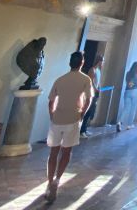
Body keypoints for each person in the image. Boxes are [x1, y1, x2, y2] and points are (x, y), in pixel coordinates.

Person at [45, 51, 93, 203]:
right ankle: (57, 180)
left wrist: (52, 115)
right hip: (73, 118)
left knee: (53, 153)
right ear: (82, 63)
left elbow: (51, 101)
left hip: (58, 118)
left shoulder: (60, 79)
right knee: (66, 152)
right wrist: (82, 113)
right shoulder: (85, 79)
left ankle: (49, 181)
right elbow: (88, 99)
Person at [80, 54, 103, 138]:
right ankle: (81, 131)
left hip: (95, 92)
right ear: (99, 61)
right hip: (91, 93)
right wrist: (95, 89)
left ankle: (85, 129)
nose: (102, 63)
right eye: (102, 61)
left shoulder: (98, 70)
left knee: (90, 112)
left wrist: (99, 88)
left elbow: (97, 82)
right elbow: (91, 81)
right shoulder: (92, 70)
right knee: (87, 111)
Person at [117, 61, 137, 132]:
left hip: (127, 91)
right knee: (133, 109)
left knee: (126, 108)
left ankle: (119, 122)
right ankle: (129, 125)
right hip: (134, 91)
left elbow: (127, 82)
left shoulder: (128, 73)